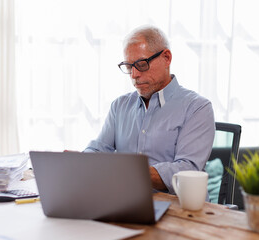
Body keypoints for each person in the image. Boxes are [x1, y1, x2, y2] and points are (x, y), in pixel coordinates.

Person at [84, 25, 215, 194]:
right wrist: (80, 162)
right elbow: (99, 148)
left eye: (141, 64)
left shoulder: (197, 108)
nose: (134, 75)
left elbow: (187, 171)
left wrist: (124, 172)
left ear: (166, 58)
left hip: (177, 209)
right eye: (129, 66)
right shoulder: (119, 106)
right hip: (127, 202)